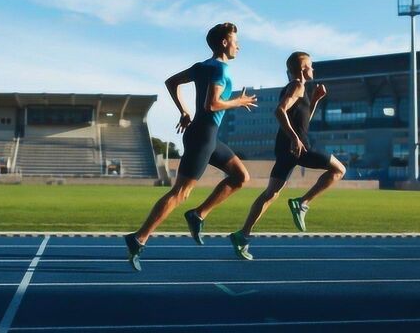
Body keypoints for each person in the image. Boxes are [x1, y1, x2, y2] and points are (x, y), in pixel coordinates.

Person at [124, 22, 258, 271]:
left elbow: (170, 82)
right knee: (180, 193)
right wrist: (238, 101)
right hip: (202, 137)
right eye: (235, 40)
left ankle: (198, 215)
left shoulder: (201, 67)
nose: (238, 45)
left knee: (241, 176)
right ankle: (138, 238)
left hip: (206, 135)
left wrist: (184, 110)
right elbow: (212, 105)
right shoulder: (220, 70)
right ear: (224, 43)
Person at [229, 51, 346, 260]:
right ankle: (302, 203)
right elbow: (279, 111)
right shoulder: (297, 86)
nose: (313, 69)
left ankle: (242, 235)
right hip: (298, 147)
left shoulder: (298, 89)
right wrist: (294, 138)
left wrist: (316, 100)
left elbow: (301, 122)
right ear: (302, 69)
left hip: (286, 148)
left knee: (270, 194)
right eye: (311, 66)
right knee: (339, 169)